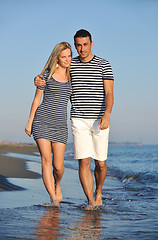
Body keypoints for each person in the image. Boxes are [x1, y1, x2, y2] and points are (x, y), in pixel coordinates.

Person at [34, 29, 114, 210]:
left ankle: (98, 191)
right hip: (78, 119)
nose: (82, 48)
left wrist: (107, 113)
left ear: (91, 44)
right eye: (78, 45)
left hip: (99, 119)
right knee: (84, 161)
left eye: (85, 44)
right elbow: (51, 71)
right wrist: (37, 79)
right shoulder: (71, 64)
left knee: (100, 164)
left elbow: (109, 92)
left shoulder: (104, 64)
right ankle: (91, 202)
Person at [25, 42, 72, 207]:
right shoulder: (46, 74)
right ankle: (53, 198)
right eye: (63, 56)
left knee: (58, 167)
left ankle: (57, 184)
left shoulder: (72, 76)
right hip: (42, 122)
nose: (67, 59)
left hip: (60, 125)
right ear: (57, 58)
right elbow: (37, 99)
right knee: (46, 160)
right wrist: (30, 122)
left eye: (69, 56)